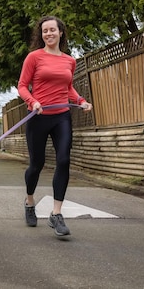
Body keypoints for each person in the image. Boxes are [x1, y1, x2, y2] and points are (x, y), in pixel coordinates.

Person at [17, 16, 93, 236]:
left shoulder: (70, 61)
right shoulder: (34, 57)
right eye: (44, 31)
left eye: (52, 30)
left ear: (61, 32)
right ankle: (30, 201)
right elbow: (22, 86)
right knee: (36, 165)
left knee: (64, 160)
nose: (48, 34)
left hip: (61, 116)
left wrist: (80, 101)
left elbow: (68, 88)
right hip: (38, 116)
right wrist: (33, 102)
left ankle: (56, 214)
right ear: (41, 35)